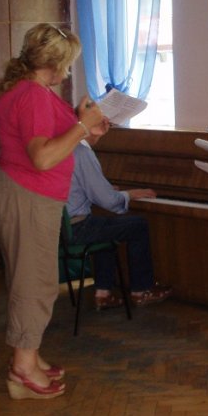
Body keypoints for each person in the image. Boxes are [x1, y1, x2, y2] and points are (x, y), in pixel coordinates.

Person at [0, 23, 104, 400]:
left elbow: (56, 141)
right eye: (66, 63)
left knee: (30, 279)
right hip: (27, 194)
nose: (67, 71)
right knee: (34, 283)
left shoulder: (28, 90)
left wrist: (86, 128)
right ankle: (22, 370)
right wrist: (82, 126)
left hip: (23, 193)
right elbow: (42, 157)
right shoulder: (33, 95)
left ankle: (29, 356)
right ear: (53, 63)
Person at [66, 117, 173, 309]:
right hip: (77, 228)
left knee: (104, 226)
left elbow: (84, 188)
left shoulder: (64, 147)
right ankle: (141, 290)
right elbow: (107, 200)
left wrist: (107, 189)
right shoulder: (82, 152)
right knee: (138, 225)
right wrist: (129, 194)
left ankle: (103, 293)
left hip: (62, 228)